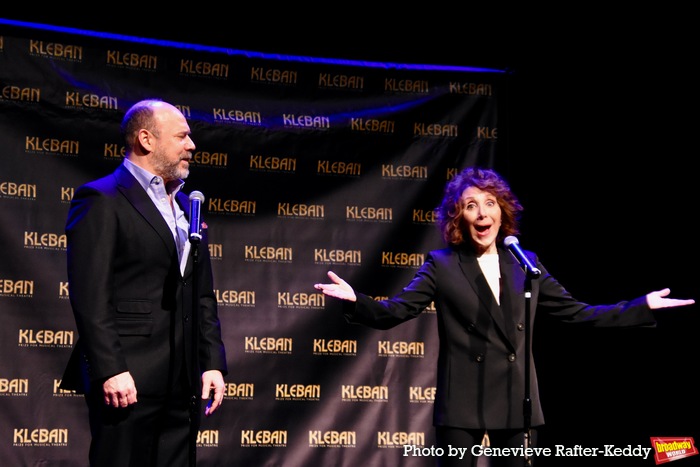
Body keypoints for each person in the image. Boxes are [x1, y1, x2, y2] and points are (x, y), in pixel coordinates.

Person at [314, 166, 694, 467]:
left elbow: (578, 313)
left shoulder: (524, 264)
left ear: (502, 211)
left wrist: (640, 306)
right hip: (462, 403)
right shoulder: (442, 265)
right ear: (457, 216)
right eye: (471, 205)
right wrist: (355, 300)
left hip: (517, 401)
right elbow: (395, 311)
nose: (482, 213)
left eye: (490, 203)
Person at [60, 99, 228, 467]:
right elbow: (91, 294)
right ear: (146, 139)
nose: (192, 145)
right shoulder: (102, 198)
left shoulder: (186, 206)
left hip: (181, 381)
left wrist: (211, 362)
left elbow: (201, 295)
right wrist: (110, 369)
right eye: (182, 136)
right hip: (128, 379)